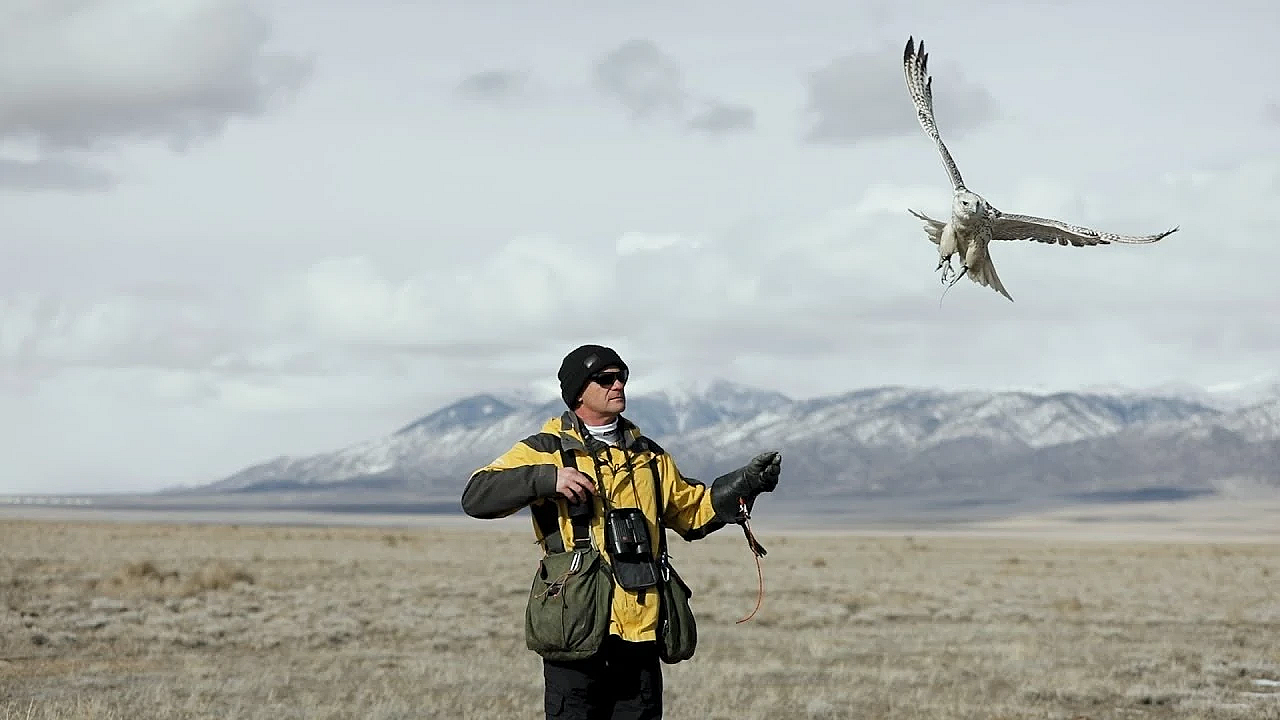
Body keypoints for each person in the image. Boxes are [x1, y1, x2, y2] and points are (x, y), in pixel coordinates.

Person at [461, 343, 782, 719]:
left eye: (622, 377)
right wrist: (547, 479)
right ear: (579, 391)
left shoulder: (650, 456)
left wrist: (743, 487)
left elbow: (693, 514)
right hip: (576, 629)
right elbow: (476, 495)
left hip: (641, 630)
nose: (618, 385)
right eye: (606, 378)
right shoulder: (545, 450)